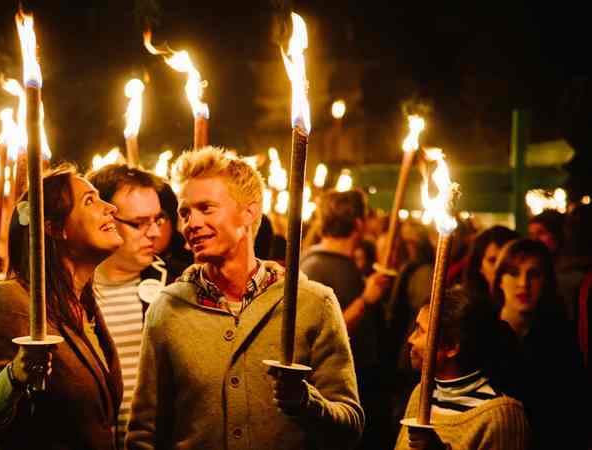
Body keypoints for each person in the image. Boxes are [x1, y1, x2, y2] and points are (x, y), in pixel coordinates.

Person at [126, 147, 363, 449]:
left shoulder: (313, 303)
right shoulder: (167, 308)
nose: (191, 224)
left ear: (249, 213)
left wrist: (306, 402)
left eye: (206, 208)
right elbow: (144, 432)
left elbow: (350, 425)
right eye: (185, 212)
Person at [0, 166, 125, 450]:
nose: (111, 208)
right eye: (90, 200)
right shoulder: (9, 302)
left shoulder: (84, 306)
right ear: (53, 227)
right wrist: (14, 377)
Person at [300, 189, 392, 449]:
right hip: (334, 390)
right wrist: (366, 299)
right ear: (358, 223)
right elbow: (322, 329)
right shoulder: (317, 265)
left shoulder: (331, 261)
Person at [86, 164, 167, 447]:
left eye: (158, 219)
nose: (155, 232)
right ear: (103, 218)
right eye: (139, 223)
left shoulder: (176, 286)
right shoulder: (70, 292)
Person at [395, 288, 530, 450]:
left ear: (451, 347)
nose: (411, 339)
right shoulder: (421, 394)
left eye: (421, 331)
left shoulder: (501, 416)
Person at [490, 238, 587, 448]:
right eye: (514, 273)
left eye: (533, 274)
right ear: (500, 280)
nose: (523, 283)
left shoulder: (561, 339)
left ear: (546, 281)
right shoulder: (483, 334)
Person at [462, 225, 519, 303]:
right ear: (480, 267)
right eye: (493, 261)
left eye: (506, 261)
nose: (499, 268)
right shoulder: (467, 309)